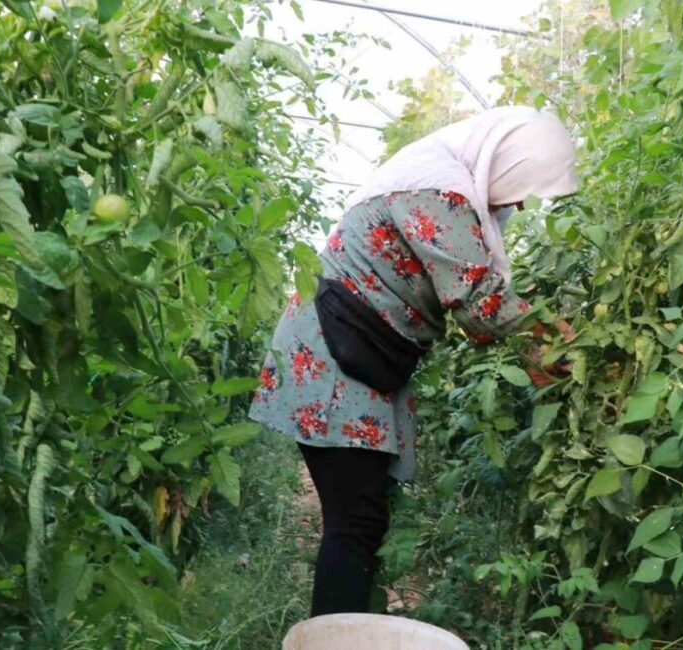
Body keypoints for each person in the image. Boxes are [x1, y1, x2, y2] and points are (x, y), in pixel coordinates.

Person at [248, 105, 579, 617]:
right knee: (355, 522)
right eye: (522, 185)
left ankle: (350, 630)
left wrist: (534, 346)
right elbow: (479, 301)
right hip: (335, 354)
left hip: (361, 352)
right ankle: (334, 638)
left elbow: (477, 306)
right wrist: (559, 339)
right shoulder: (437, 189)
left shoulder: (442, 181)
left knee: (362, 518)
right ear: (508, 161)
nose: (518, 201)